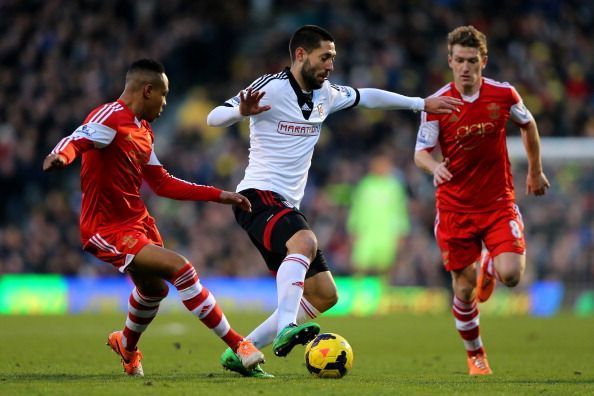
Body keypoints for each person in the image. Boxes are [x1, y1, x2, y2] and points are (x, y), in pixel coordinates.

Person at [207, 24, 462, 378]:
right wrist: (240, 112)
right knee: (305, 241)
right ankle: (285, 329)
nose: (330, 65)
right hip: (256, 196)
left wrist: (419, 104)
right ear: (301, 55)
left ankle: (243, 350)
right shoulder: (271, 87)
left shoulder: (326, 94)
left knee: (325, 294)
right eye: (325, 57)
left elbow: (367, 96)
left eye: (333, 58)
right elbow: (213, 116)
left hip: (285, 205)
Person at [42, 59, 265, 377]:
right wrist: (61, 156)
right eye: (164, 94)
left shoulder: (143, 131)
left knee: (155, 290)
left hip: (138, 222)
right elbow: (76, 139)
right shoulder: (110, 118)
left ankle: (126, 346)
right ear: (147, 90)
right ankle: (239, 345)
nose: (165, 103)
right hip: (105, 227)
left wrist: (219, 195)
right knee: (181, 268)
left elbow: (162, 183)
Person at [413, 26, 550, 375]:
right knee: (462, 289)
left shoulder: (503, 95)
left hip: (497, 202)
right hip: (454, 207)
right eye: (458, 60)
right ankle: (476, 355)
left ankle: (490, 266)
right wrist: (434, 167)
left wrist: (534, 171)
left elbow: (528, 124)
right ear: (449, 61)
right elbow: (421, 153)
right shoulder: (437, 103)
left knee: (512, 275)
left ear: (483, 61)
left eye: (472, 61)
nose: (465, 68)